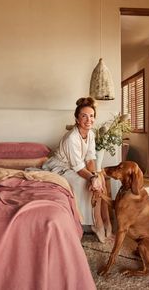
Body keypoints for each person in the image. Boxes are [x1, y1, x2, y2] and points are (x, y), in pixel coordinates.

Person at [42, 97, 113, 243]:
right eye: (84, 116)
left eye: (92, 116)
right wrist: (91, 178)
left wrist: (95, 175)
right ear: (77, 119)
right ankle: (94, 223)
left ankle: (105, 221)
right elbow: (79, 168)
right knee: (84, 183)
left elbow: (90, 159)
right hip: (60, 167)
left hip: (76, 166)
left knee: (100, 181)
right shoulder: (71, 138)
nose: (89, 120)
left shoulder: (91, 134)